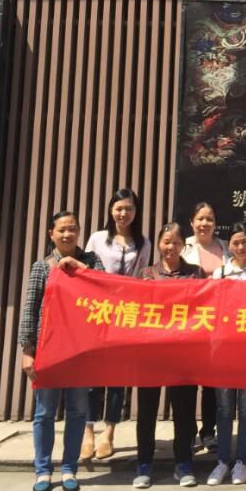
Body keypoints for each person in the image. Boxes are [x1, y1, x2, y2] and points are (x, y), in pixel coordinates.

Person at [18, 210, 104, 491]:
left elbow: (105, 289)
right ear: (51, 234)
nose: (67, 234)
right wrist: (27, 350)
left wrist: (78, 266)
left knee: (78, 411)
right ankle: (43, 470)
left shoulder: (92, 261)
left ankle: (69, 468)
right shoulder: (41, 267)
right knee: (44, 412)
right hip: (48, 350)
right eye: (62, 230)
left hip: (80, 351)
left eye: (72, 229)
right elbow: (30, 309)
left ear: (79, 232)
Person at [82, 188, 152, 460]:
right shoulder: (98, 238)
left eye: (129, 209)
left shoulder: (143, 243)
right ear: (111, 210)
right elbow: (86, 272)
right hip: (98, 314)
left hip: (125, 316)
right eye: (119, 208)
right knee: (91, 377)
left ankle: (108, 433)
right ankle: (88, 432)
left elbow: (142, 277)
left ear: (136, 212)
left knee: (117, 379)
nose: (124, 213)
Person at [134, 223, 203, 488]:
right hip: (150, 353)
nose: (170, 247)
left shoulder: (195, 273)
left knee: (184, 412)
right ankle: (144, 464)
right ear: (159, 244)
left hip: (184, 354)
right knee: (147, 411)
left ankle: (183, 463)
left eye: (175, 242)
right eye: (166, 241)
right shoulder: (146, 274)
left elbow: (203, 309)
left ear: (183, 245)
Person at [208, 222, 246, 486]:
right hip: (224, 350)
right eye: (235, 242)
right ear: (228, 245)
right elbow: (210, 309)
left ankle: (241, 461)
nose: (240, 247)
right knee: (223, 407)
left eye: (245, 242)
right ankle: (222, 461)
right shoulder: (220, 273)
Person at [181, 201, 226, 452]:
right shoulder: (182, 246)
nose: (204, 223)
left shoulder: (225, 247)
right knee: (188, 382)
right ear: (191, 222)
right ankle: (188, 431)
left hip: (217, 324)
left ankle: (209, 431)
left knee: (211, 383)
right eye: (200, 218)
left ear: (215, 223)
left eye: (209, 219)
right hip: (189, 322)